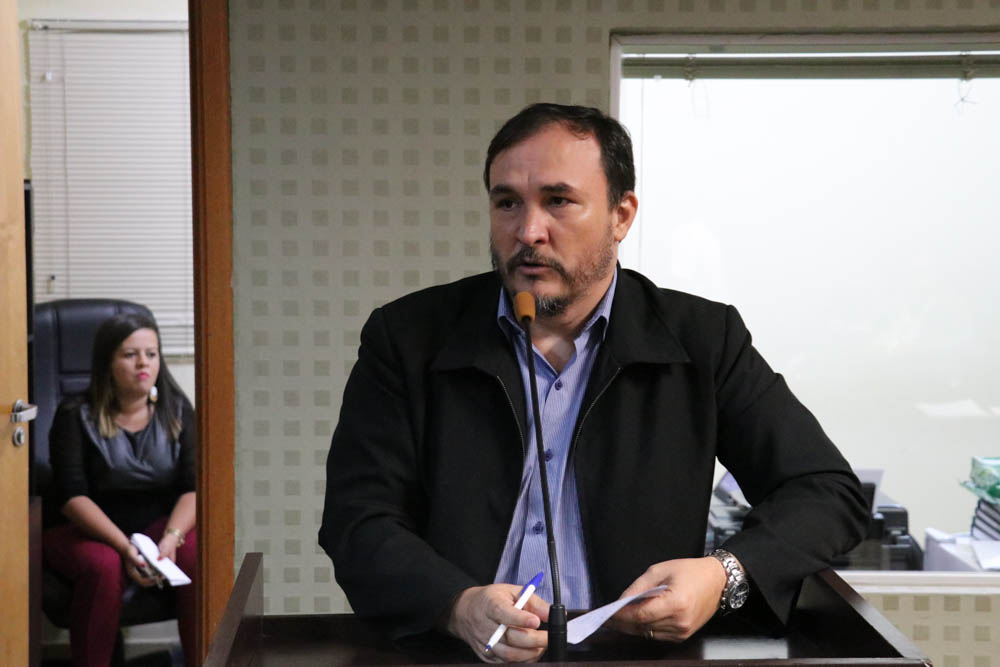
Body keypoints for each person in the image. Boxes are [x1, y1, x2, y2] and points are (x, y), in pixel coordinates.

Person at [319, 103, 869, 663]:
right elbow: (356, 520)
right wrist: (457, 605)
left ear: (621, 216)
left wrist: (722, 574)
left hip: (632, 655)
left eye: (558, 201)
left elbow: (827, 492)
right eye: (507, 203)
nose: (528, 231)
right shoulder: (407, 337)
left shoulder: (703, 340)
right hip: (455, 653)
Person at [42, 312, 197, 667]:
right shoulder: (75, 414)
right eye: (130, 354)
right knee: (104, 566)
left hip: (157, 524)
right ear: (107, 363)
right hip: (85, 528)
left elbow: (193, 487)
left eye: (151, 354)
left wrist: (172, 538)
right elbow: (71, 495)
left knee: (195, 554)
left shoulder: (176, 410)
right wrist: (125, 547)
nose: (144, 363)